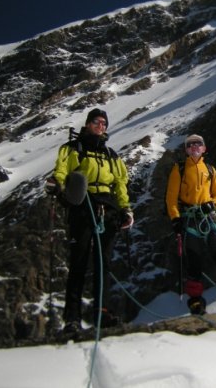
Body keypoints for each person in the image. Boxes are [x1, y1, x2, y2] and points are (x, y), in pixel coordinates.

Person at [46, 108, 134, 335]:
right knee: (79, 262)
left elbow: (120, 184)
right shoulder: (73, 149)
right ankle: (72, 318)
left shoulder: (112, 155)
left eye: (104, 123)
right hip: (83, 206)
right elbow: (62, 170)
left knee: (103, 263)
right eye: (97, 122)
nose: (101, 126)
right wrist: (57, 183)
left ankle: (100, 312)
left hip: (108, 208)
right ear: (87, 124)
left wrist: (126, 209)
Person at [165, 134, 216, 315]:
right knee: (194, 259)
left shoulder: (210, 169)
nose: (194, 147)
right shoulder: (179, 169)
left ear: (204, 148)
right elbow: (171, 198)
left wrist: (212, 204)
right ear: (186, 150)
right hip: (189, 217)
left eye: (198, 144)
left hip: (208, 216)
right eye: (190, 145)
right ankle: (196, 301)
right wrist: (175, 218)